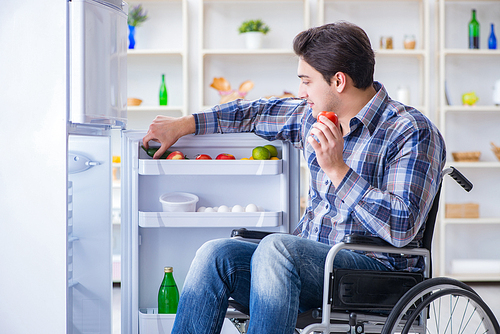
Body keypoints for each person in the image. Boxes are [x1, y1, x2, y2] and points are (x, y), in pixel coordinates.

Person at [142, 21, 446, 334]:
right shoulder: (309, 115)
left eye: (306, 81)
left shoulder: (411, 130)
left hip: (375, 274)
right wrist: (184, 124)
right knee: (215, 255)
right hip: (308, 268)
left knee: (278, 249)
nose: (301, 92)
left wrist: (337, 170)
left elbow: (402, 226)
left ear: (338, 81)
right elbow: (256, 112)